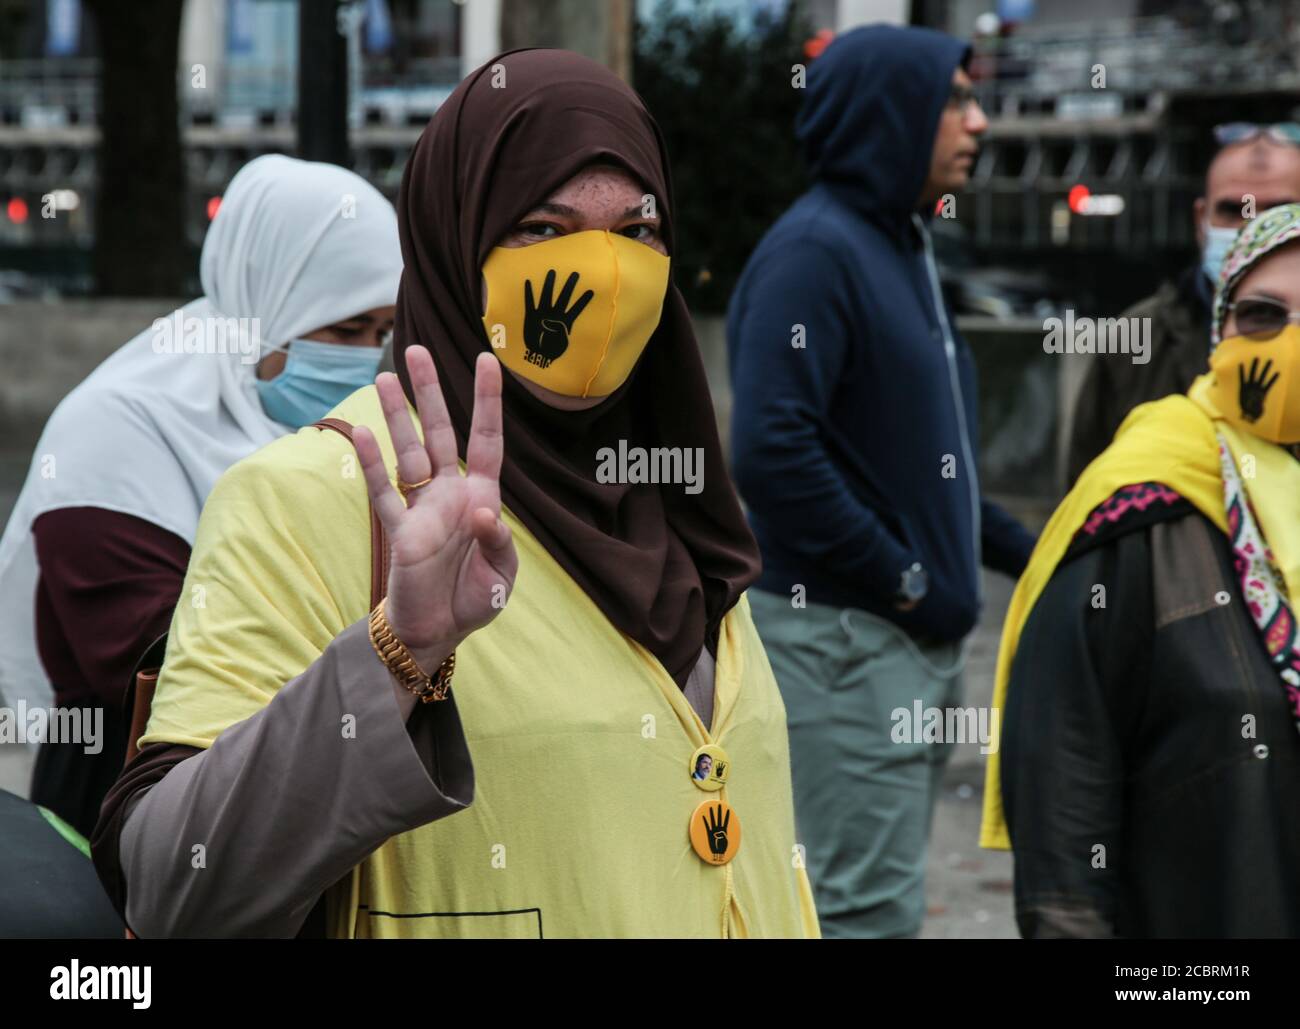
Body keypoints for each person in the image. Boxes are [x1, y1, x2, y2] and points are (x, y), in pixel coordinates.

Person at [90, 48, 820, 940]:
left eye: (638, 230)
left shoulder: (676, 501)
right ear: (453, 241)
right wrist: (398, 654)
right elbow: (173, 889)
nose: (602, 270)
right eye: (543, 230)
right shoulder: (312, 496)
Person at [726, 23, 1036, 939]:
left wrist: (1049, 552)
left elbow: (923, 473)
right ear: (888, 112)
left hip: (888, 644)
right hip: (845, 648)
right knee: (855, 917)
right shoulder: (817, 253)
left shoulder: (899, 243)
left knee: (874, 906)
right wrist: (907, 581)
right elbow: (772, 452)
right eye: (954, 100)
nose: (978, 123)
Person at [0, 155, 402, 838]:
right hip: (133, 812)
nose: (364, 358)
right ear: (267, 298)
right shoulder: (120, 427)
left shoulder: (361, 434)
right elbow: (154, 662)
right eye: (342, 330)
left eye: (382, 334)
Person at [984, 202, 1300, 938]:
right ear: (1218, 331)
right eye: (1261, 314)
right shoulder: (1136, 516)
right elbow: (1064, 777)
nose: (1289, 341)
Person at [1067, 123, 1300, 483]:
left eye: (1279, 212)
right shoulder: (1134, 341)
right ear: (1200, 220)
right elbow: (1088, 492)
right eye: (1233, 210)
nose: (1253, 229)